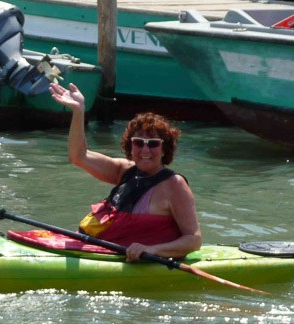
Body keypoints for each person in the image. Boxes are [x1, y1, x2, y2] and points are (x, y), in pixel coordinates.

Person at [49, 82, 201, 262]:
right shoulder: (124, 170)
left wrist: (152, 250)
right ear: (131, 146)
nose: (145, 150)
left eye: (153, 144)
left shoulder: (175, 185)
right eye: (138, 143)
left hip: (138, 260)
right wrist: (78, 111)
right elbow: (78, 156)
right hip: (94, 249)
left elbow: (193, 240)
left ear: (164, 149)